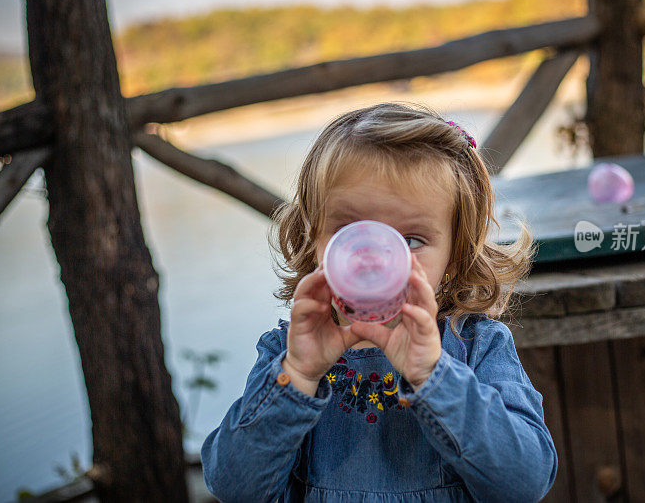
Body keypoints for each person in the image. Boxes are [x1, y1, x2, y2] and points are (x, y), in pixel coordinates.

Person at [201, 102, 558, 502]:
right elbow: (234, 486)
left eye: (410, 240)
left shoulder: (476, 347)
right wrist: (298, 376)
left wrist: (434, 375)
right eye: (350, 229)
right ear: (314, 241)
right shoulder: (286, 354)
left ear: (454, 260)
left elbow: (525, 483)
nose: (376, 255)